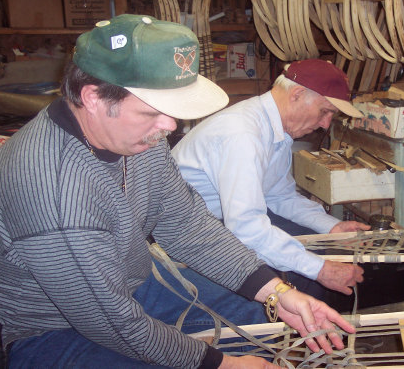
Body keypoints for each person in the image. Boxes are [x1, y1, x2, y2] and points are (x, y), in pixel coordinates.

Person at [0, 15, 355, 369]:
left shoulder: (139, 138)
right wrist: (224, 365)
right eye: (153, 112)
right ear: (92, 98)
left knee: (258, 318)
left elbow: (187, 225)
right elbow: (114, 323)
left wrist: (278, 293)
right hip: (49, 327)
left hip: (127, 279)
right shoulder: (55, 191)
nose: (170, 127)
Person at [171, 59, 370, 305]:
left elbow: (280, 196)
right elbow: (246, 229)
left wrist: (331, 227)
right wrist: (321, 270)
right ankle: (305, 331)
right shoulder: (242, 134)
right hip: (187, 237)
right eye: (325, 111)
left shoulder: (274, 129)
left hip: (221, 221)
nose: (325, 124)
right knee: (307, 274)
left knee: (318, 251)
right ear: (297, 94)